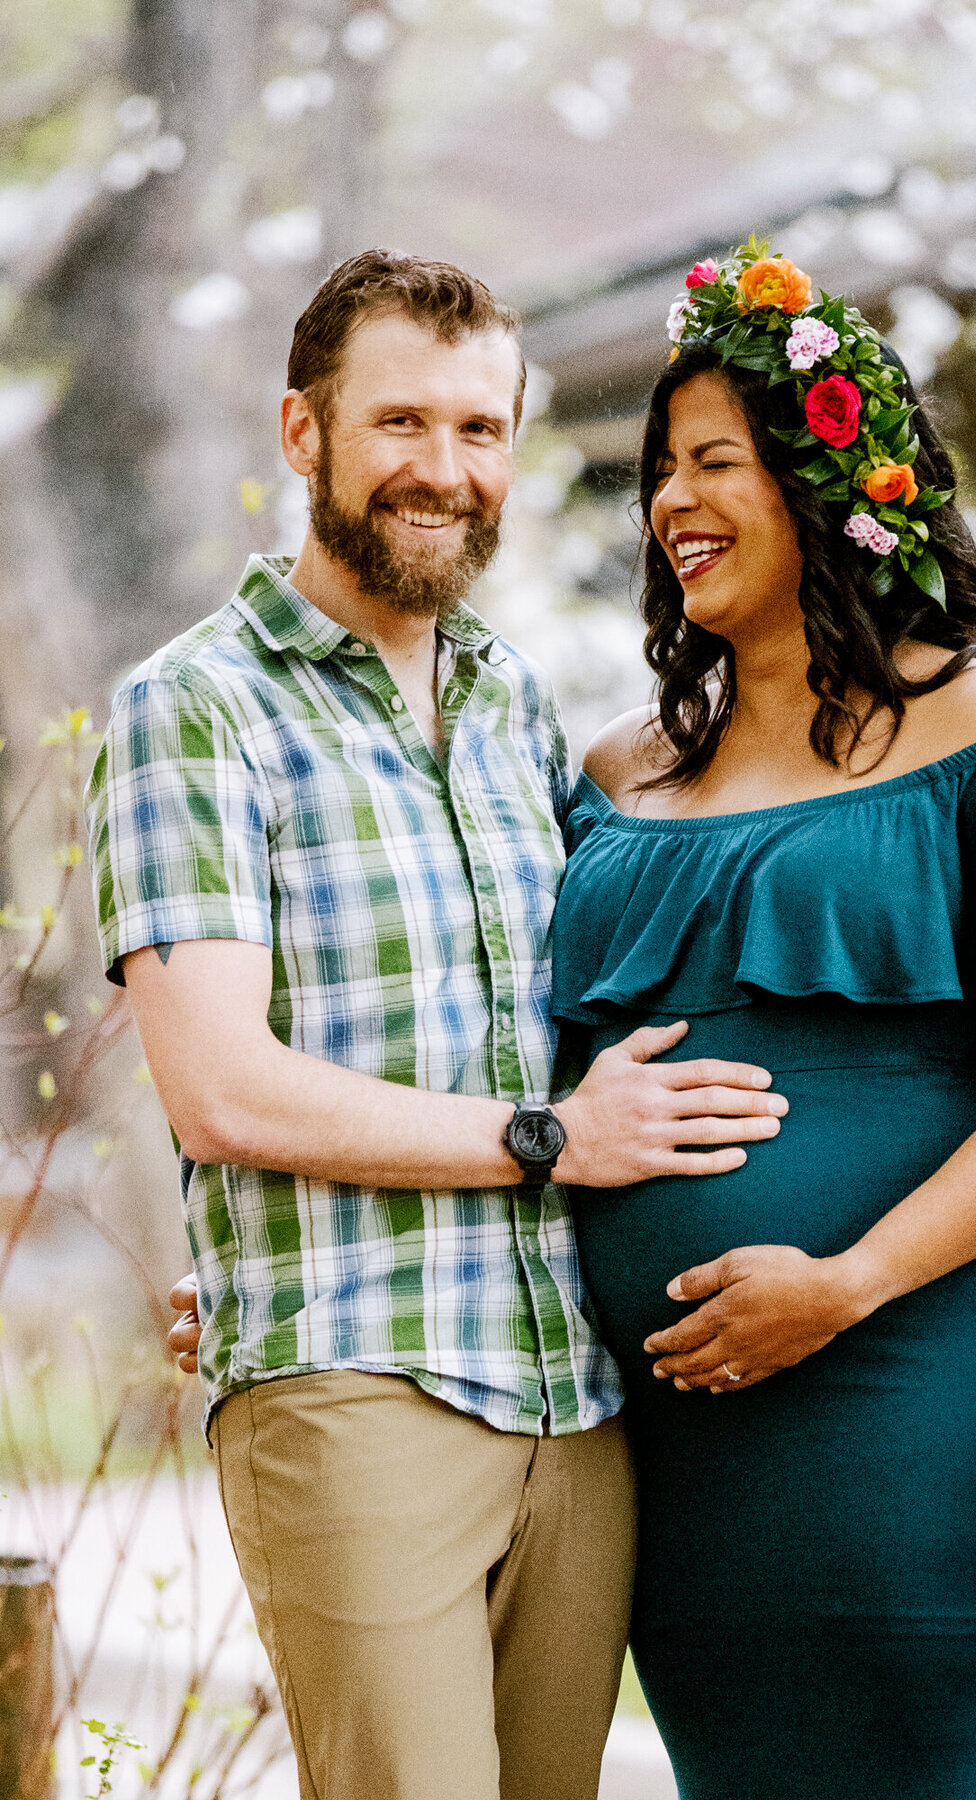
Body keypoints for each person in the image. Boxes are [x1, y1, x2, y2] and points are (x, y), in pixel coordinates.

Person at [85, 250, 788, 1800]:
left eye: (481, 431)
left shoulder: (512, 701)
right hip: (358, 1388)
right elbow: (224, 1091)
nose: (443, 469)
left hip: (574, 1402)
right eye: (400, 421)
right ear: (302, 433)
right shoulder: (193, 710)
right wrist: (557, 1141)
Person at [544, 245, 976, 1799]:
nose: (671, 505)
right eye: (657, 474)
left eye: (716, 463)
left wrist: (845, 1282)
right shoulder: (615, 777)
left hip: (952, 1379)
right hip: (698, 1439)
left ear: (832, 483)